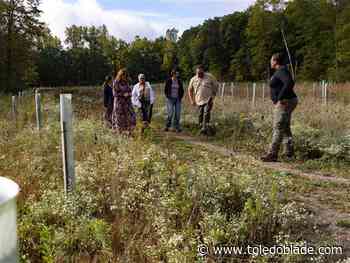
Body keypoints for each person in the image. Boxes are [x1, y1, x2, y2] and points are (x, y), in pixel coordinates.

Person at [261, 53, 298, 162]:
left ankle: (272, 154)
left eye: (271, 60)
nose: (270, 62)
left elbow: (289, 82)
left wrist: (279, 98)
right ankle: (289, 153)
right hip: (288, 101)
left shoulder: (281, 71)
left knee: (278, 126)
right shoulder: (281, 71)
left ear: (276, 61)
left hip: (285, 102)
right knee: (285, 127)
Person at [188, 65, 219, 135]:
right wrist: (191, 100)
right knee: (200, 114)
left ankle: (205, 128)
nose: (199, 74)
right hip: (198, 100)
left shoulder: (210, 76)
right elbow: (190, 90)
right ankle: (201, 128)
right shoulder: (193, 79)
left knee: (206, 112)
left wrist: (213, 95)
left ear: (203, 71)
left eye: (201, 73)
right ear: (196, 72)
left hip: (208, 99)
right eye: (198, 73)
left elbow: (216, 85)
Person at [111, 69, 136, 134]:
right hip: (119, 103)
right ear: (120, 75)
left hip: (127, 103)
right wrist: (123, 94)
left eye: (126, 76)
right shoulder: (116, 82)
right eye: (124, 76)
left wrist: (129, 94)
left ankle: (128, 131)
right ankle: (119, 132)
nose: (125, 77)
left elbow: (130, 90)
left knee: (131, 116)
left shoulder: (126, 82)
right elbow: (114, 94)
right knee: (119, 118)